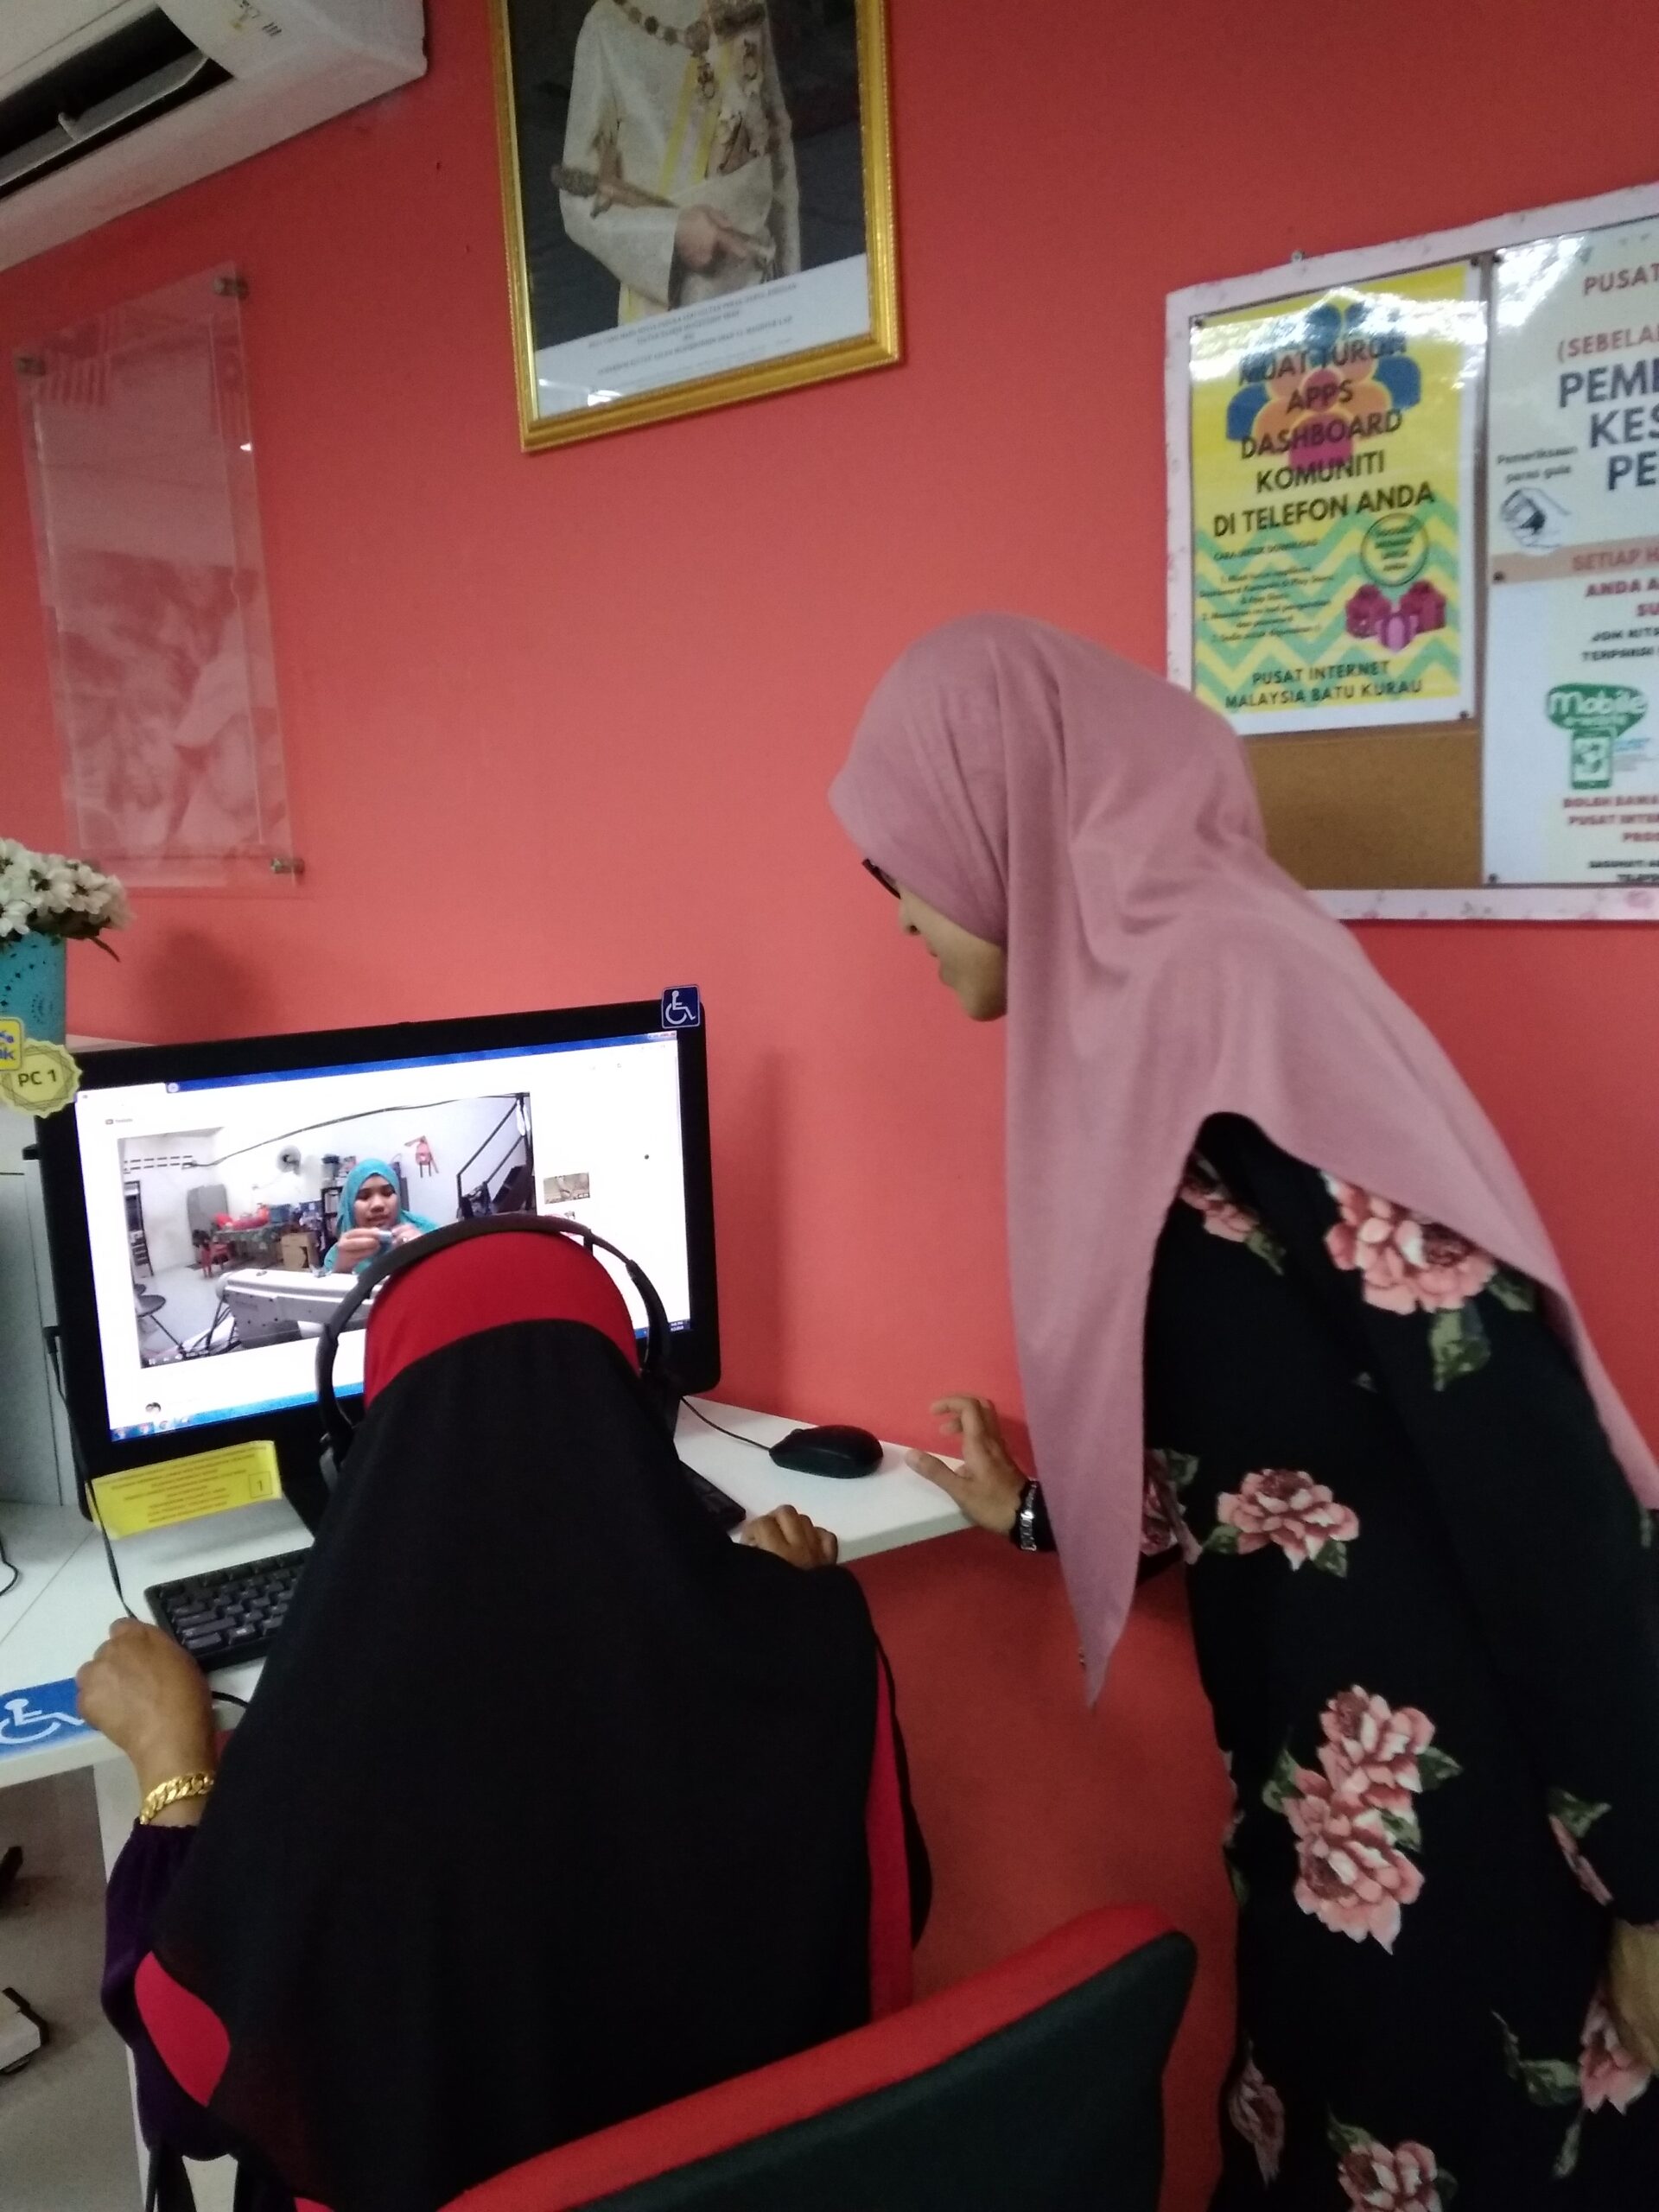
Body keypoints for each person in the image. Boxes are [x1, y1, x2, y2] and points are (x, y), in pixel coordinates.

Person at [830, 613, 1659, 2208]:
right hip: (1330, 1798)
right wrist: (1033, 1505)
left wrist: (1646, 1874)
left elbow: (1515, 1436)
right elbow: (1274, 1431)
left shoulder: (1232, 1005)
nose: (906, 919)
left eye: (902, 869)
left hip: (1471, 1813)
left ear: (1006, 808)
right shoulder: (1141, 1024)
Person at [80, 1227, 926, 2212]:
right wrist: (774, 1609)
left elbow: (189, 2095)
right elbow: (891, 1915)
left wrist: (173, 1768)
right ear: (640, 1409)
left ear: (368, 1444)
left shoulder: (325, 1754)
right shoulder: (816, 1644)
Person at [556, 0, 799, 327]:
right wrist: (673, 234)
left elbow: (776, 136)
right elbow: (578, 198)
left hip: (763, 282)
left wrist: (792, 278)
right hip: (673, 305)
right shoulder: (607, 24)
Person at [323, 1156, 436, 1273]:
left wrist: (425, 1253)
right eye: (364, 1196)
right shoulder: (337, 1256)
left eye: (387, 1193)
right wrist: (341, 1271)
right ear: (350, 1206)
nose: (378, 1204)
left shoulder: (429, 1234)